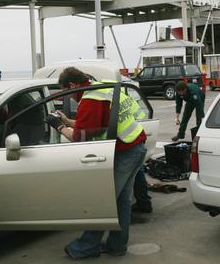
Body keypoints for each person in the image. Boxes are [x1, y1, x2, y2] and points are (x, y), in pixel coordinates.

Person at [46, 67, 147, 259]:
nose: (70, 98)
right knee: (120, 202)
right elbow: (93, 125)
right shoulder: (101, 88)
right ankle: (117, 246)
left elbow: (79, 137)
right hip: (136, 146)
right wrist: (68, 120)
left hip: (125, 153)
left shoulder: (90, 100)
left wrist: (57, 126)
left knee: (105, 202)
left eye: (67, 92)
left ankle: (86, 247)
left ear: (73, 85)